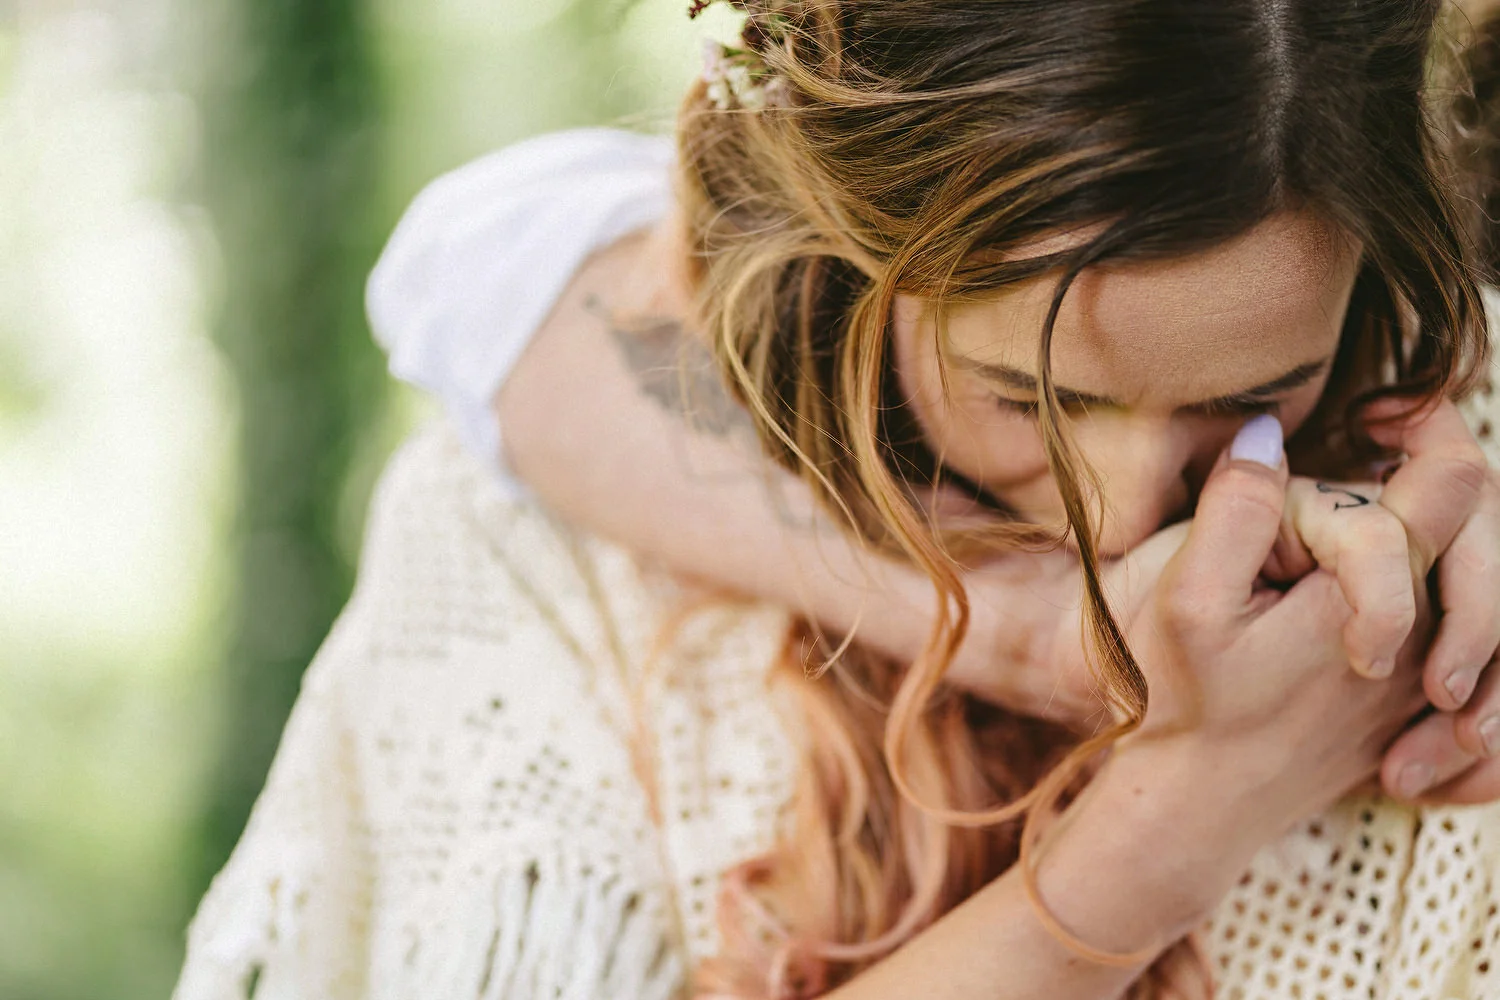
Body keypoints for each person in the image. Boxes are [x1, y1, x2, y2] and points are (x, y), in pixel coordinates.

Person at [174, 1, 1500, 998]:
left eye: (1252, 394)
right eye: (1030, 396)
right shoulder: (545, 550)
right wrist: (1161, 824)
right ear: (848, 250)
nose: (1116, 515)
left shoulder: (1454, 497)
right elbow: (467, 261)